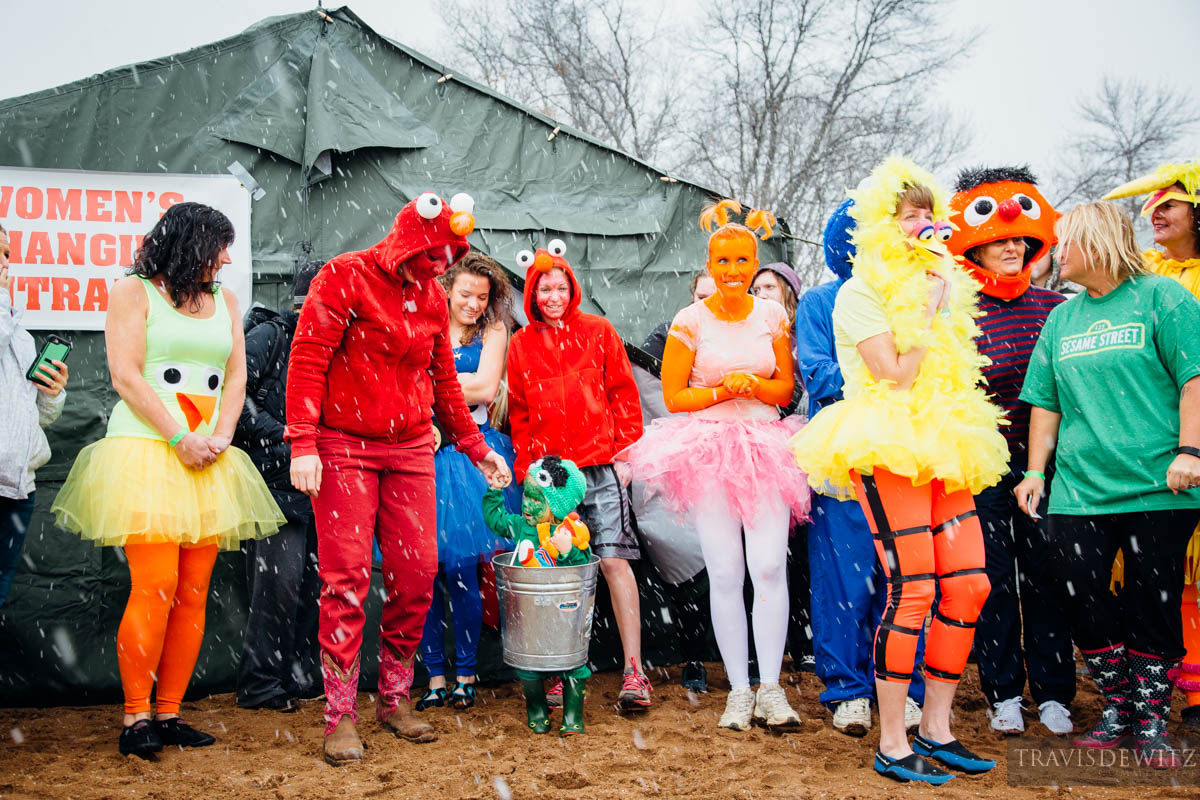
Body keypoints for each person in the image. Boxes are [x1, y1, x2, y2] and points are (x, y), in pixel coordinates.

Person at [790, 157, 1007, 784]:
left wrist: (939, 295)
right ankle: (892, 740)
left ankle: (936, 731)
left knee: (968, 586)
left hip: (946, 441)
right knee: (911, 589)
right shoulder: (859, 294)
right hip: (888, 443)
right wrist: (928, 308)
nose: (926, 225)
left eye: (929, 214)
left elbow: (950, 369)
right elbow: (894, 372)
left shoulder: (943, 287)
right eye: (912, 216)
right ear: (885, 227)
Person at [285, 191, 513, 766]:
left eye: (448, 258)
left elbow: (443, 382)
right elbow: (307, 360)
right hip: (343, 447)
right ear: (411, 240)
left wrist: (476, 448)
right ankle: (339, 713)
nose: (440, 267)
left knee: (417, 571)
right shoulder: (344, 277)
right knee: (347, 577)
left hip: (412, 447)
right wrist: (302, 442)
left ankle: (395, 697)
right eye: (433, 255)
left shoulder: (432, 300)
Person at [51, 202, 285, 759]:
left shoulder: (225, 300)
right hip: (149, 453)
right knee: (153, 587)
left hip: (209, 457)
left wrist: (223, 434)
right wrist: (180, 438)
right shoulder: (133, 292)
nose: (227, 258)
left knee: (192, 595)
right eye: (219, 246)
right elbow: (125, 375)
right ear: (190, 244)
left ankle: (170, 711)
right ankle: (136, 717)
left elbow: (236, 376)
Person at [1014, 201, 1200, 768]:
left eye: (1062, 242)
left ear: (1094, 243)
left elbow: (1195, 378)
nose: (1053, 254)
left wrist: (1192, 450)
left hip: (1159, 485)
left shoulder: (1163, 299)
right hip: (1079, 490)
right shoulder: (1062, 319)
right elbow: (1044, 404)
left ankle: (1149, 721)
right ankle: (1117, 708)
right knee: (1081, 595)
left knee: (1154, 602)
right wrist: (1035, 472)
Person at [619, 199, 810, 732]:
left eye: (742, 262)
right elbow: (676, 396)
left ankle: (771, 688)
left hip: (763, 448)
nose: (732, 272)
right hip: (707, 450)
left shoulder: (772, 315)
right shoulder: (689, 320)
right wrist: (722, 390)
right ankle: (740, 691)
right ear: (709, 263)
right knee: (725, 572)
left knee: (769, 565)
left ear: (755, 264)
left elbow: (785, 387)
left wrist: (756, 387)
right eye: (722, 262)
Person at [946, 166, 1075, 736]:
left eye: (1020, 237)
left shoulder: (1057, 309)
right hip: (980, 468)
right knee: (993, 579)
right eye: (999, 238)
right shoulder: (956, 312)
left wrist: (1042, 466)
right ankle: (1002, 693)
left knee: (1046, 577)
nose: (1012, 245)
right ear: (975, 241)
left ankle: (1055, 694)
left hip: (1046, 467)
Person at [797, 200, 926, 738]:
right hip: (847, 455)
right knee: (843, 577)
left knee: (906, 577)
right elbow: (817, 370)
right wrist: (881, 384)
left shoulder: (913, 296)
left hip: (905, 453)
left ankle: (903, 683)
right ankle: (847, 689)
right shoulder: (820, 301)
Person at [505, 239, 651, 712]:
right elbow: (521, 415)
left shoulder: (599, 331)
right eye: (544, 287)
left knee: (612, 562)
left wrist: (625, 453)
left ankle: (634, 672)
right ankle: (554, 669)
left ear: (573, 288)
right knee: (554, 572)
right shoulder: (521, 344)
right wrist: (528, 471)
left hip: (601, 465)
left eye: (560, 286)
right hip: (549, 478)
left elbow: (625, 396)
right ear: (531, 294)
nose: (553, 295)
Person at [1104, 161, 1200, 734]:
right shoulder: (1142, 280)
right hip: (1156, 447)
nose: (1156, 212)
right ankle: (1181, 685)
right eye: (1153, 204)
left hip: (1194, 437)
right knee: (1172, 573)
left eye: (1172, 202)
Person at [416, 252, 521, 712]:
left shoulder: (495, 329)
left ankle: (466, 672)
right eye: (466, 294)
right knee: (420, 574)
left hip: (470, 455)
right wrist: (452, 382)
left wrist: (434, 385)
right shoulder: (425, 323)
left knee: (462, 572)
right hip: (421, 453)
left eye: (482, 297)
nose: (474, 304)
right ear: (447, 288)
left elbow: (484, 386)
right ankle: (433, 674)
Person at [233, 260, 325, 712]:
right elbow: (233, 402)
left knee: (313, 587)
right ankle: (260, 683)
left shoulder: (338, 346)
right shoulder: (271, 337)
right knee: (278, 586)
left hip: (320, 489)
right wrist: (287, 437)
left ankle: (299, 677)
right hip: (272, 484)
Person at [634, 270, 716, 693]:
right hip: (677, 464)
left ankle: (754, 661)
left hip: (731, 460)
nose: (707, 302)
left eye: (715, 295)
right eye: (700, 295)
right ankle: (693, 657)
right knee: (683, 554)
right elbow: (644, 386)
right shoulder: (668, 334)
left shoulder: (753, 335)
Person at [483, 455, 592, 735]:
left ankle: (571, 715)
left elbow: (581, 572)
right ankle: (538, 710)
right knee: (528, 667)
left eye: (536, 499)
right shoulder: (522, 527)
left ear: (557, 507)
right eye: (526, 497)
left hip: (564, 614)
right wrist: (494, 492)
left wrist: (568, 551)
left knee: (572, 665)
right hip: (529, 613)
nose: (527, 505)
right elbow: (496, 521)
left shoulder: (569, 532)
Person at [0, 222, 68, 606]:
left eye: (10, 253)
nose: (8, 263)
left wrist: (54, 392)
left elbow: (38, 417)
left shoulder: (21, 335)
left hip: (16, 489)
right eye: (3, 252)